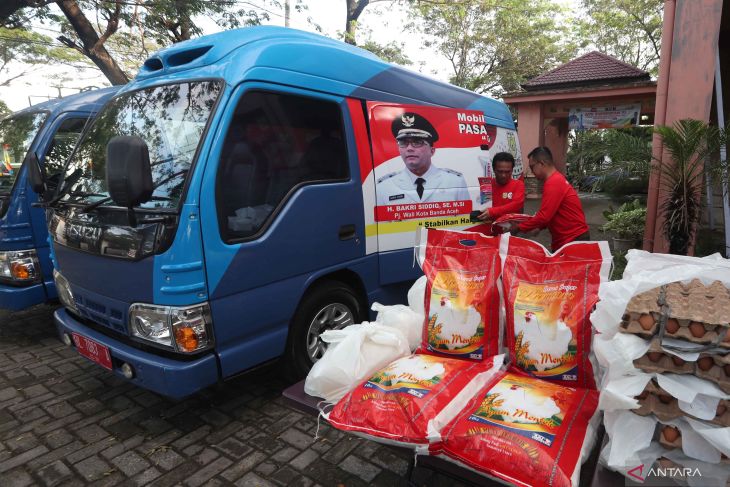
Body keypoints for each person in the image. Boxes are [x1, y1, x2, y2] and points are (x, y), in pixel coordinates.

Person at [376, 112, 470, 205]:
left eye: (417, 142)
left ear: (432, 151)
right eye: (403, 143)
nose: (409, 148)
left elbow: (464, 218)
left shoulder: (455, 181)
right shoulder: (385, 186)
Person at [506, 146, 589, 251]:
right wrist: (538, 227)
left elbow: (544, 216)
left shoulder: (553, 182)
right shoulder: (556, 179)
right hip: (568, 239)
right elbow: (550, 214)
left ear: (541, 163)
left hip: (573, 240)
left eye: (532, 167)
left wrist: (519, 227)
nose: (532, 171)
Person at [477, 151, 525, 223]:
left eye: (507, 172)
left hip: (509, 230)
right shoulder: (487, 186)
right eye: (500, 171)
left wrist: (492, 211)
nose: (503, 175)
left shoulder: (518, 185)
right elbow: (482, 205)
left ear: (512, 170)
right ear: (494, 169)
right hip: (489, 229)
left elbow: (516, 205)